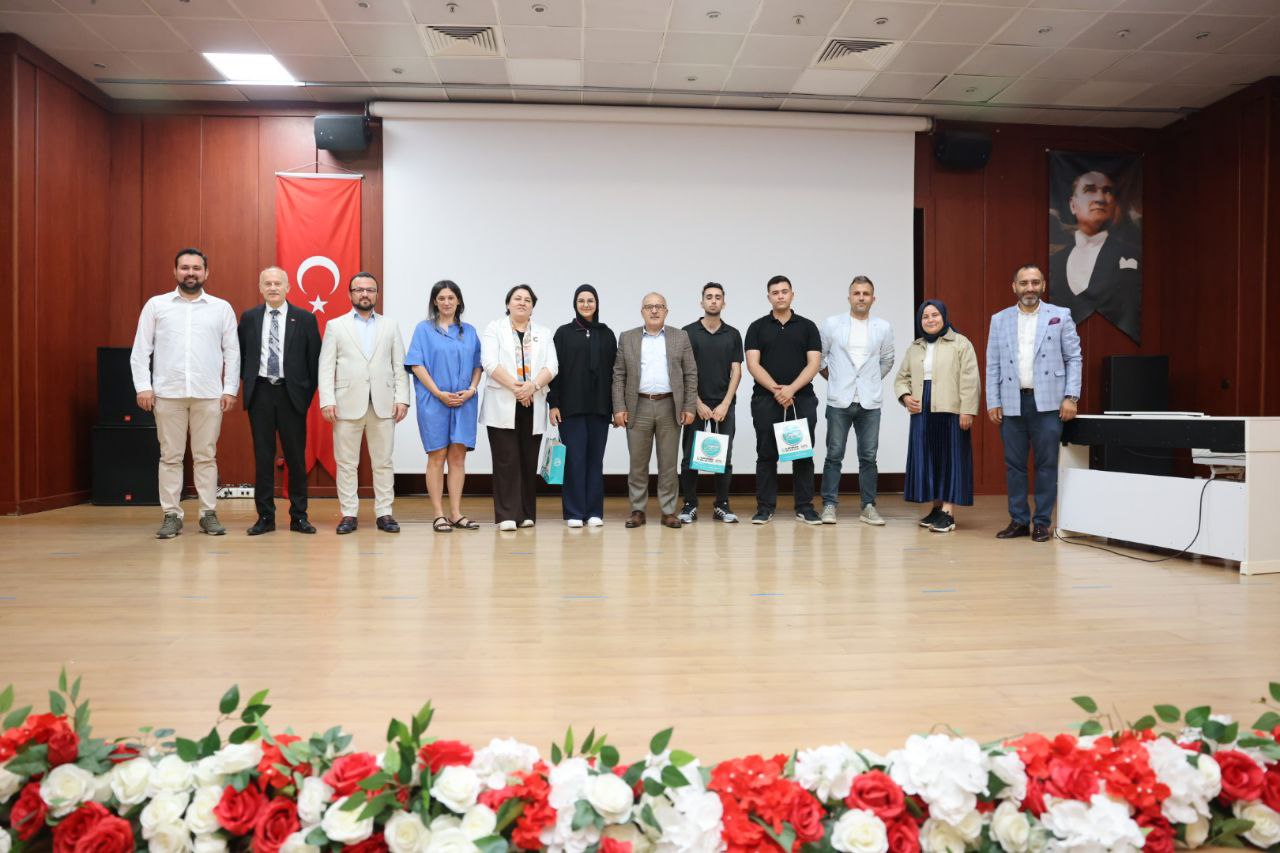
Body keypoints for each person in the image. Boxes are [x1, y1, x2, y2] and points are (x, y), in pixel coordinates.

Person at [130, 248, 240, 539]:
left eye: (196, 268)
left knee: (206, 456)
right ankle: (171, 515)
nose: (190, 273)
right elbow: (141, 350)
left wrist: (230, 388)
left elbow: (233, 352)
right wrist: (143, 386)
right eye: (185, 268)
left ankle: (208, 513)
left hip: (209, 394)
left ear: (206, 273)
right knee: (170, 457)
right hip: (167, 394)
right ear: (175, 272)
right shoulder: (157, 305)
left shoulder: (221, 308)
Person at [986, 263, 1083, 542]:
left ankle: (1042, 522)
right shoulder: (1000, 319)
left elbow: (1074, 358)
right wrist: (993, 400)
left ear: (1043, 286)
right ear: (1014, 287)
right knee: (1014, 465)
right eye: (1024, 283)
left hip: (1050, 404)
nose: (1030, 288)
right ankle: (1018, 519)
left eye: (1035, 282)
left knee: (1046, 464)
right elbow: (993, 363)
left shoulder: (1060, 316)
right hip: (1012, 402)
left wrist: (1071, 396)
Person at [318, 272, 410, 534]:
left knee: (383, 462)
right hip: (346, 404)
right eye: (359, 290)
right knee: (346, 463)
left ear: (377, 295)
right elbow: (326, 366)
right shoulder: (336, 326)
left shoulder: (390, 325)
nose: (365, 294)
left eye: (370, 290)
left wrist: (402, 398)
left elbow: (398, 365)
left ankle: (385, 513)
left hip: (383, 404)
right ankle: (348, 514)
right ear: (350, 295)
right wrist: (327, 400)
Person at [237, 266, 321, 535]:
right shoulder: (249, 318)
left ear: (288, 287)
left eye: (278, 283)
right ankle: (265, 518)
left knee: (296, 458)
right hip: (260, 392)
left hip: (291, 395)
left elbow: (314, 362)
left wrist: (303, 396)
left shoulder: (305, 319)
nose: (273, 288)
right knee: (263, 458)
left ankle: (299, 516)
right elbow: (241, 356)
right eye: (268, 284)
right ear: (260, 287)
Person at [612, 292, 698, 529]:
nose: (654, 311)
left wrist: (689, 406)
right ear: (642, 311)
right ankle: (638, 510)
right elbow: (619, 375)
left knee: (668, 463)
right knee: (637, 463)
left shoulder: (680, 337)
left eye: (659, 306)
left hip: (670, 405)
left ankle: (668, 511)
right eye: (649, 306)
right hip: (637, 406)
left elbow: (691, 373)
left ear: (666, 311)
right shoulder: (627, 338)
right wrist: (619, 407)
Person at [894, 300, 979, 533]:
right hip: (922, 410)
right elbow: (901, 378)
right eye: (925, 316)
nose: (930, 320)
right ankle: (937, 507)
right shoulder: (915, 347)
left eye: (935, 315)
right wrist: (905, 397)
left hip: (951, 409)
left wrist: (967, 410)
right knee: (929, 459)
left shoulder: (961, 343)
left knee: (951, 459)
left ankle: (949, 513)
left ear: (944, 316)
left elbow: (970, 379)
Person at [405, 280, 483, 534]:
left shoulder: (469, 331)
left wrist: (471, 389)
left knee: (458, 457)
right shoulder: (423, 330)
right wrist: (438, 393)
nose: (447, 302)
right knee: (437, 456)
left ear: (458, 301)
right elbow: (417, 364)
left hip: (464, 401)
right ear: (435, 302)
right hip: (434, 401)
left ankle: (456, 513)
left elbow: (477, 365)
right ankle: (439, 514)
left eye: (451, 297)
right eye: (441, 298)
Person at [744, 275, 823, 525]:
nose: (780, 295)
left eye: (784, 291)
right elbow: (752, 364)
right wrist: (777, 390)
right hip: (766, 401)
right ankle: (765, 507)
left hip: (802, 399)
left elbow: (814, 364)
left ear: (792, 295)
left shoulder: (808, 326)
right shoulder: (757, 327)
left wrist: (791, 390)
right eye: (775, 292)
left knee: (802, 454)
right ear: (768, 297)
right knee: (766, 454)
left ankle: (805, 507)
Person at [818, 276, 895, 526]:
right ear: (849, 297)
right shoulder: (832, 324)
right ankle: (829, 505)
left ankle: (868, 507)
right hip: (839, 400)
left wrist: (869, 381)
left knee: (868, 456)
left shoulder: (882, 327)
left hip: (869, 402)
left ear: (873, 298)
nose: (861, 297)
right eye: (856, 293)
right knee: (834, 454)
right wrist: (837, 379)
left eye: (866, 293)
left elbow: (887, 360)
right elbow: (819, 358)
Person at [480, 285, 558, 531]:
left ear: (532, 306)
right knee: (506, 461)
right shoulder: (494, 329)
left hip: (532, 403)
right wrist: (518, 389)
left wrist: (532, 387)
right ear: (508, 304)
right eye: (517, 299)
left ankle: (526, 513)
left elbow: (552, 366)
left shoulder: (544, 333)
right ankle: (506, 515)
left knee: (527, 460)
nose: (522, 303)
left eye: (527, 300)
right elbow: (490, 363)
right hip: (503, 403)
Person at [548, 285, 617, 528]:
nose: (586, 304)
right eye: (581, 300)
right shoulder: (563, 333)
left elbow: (615, 374)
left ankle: (594, 511)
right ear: (575, 303)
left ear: (597, 303)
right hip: (570, 408)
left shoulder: (607, 334)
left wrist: (616, 408)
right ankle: (574, 512)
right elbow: (554, 372)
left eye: (590, 300)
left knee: (595, 460)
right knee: (575, 460)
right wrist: (553, 404)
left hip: (600, 408)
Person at [1049, 169, 1141, 342]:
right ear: (1072, 204)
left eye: (1107, 191)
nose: (1100, 198)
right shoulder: (1055, 262)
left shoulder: (1133, 255)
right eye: (1089, 190)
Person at [678, 282, 743, 524]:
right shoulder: (687, 333)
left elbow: (736, 371)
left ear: (723, 303)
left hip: (723, 405)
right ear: (702, 302)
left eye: (718, 297)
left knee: (723, 457)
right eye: (709, 297)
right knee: (689, 457)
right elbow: (683, 371)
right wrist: (696, 403)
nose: (713, 301)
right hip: (695, 405)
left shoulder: (733, 334)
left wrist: (725, 404)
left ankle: (722, 504)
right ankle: (689, 504)